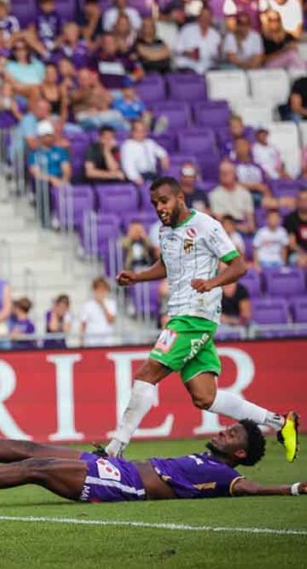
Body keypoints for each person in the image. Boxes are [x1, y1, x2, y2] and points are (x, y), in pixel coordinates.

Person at [110, 177, 298, 461]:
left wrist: (212, 283)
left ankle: (115, 448)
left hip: (195, 316)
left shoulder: (207, 226)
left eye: (164, 201)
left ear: (180, 198)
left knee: (147, 374)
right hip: (182, 314)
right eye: (154, 204)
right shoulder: (166, 231)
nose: (159, 208)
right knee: (204, 397)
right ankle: (282, 423)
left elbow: (238, 266)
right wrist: (138, 277)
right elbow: (167, 265)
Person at [0, 394, 304, 504]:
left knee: (38, 466)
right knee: (29, 446)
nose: (223, 432)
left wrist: (290, 489)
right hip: (120, 468)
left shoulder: (225, 474)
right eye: (229, 428)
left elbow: (249, 488)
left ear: (238, 454)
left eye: (232, 436)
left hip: (124, 486)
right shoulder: (210, 459)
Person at [174, 4, 221, 74]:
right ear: (198, 17)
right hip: (187, 65)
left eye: (208, 16)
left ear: (211, 18)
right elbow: (177, 50)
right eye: (203, 16)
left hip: (207, 68)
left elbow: (217, 56)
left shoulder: (215, 34)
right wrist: (189, 54)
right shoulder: (187, 30)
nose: (205, 18)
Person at [209, 160, 255, 227]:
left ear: (234, 174)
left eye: (227, 173)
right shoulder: (214, 195)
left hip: (242, 228)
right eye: (222, 173)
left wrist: (248, 226)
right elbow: (219, 219)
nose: (224, 176)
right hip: (224, 228)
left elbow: (250, 221)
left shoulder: (245, 193)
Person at [121, 121, 169, 185]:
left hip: (153, 174)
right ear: (132, 132)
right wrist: (135, 177)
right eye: (138, 131)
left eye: (143, 131)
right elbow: (127, 164)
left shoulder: (149, 142)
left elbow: (160, 151)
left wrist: (164, 157)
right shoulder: (127, 145)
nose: (140, 133)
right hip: (140, 176)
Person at [79, 276, 117, 347]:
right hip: (91, 341)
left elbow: (111, 320)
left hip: (107, 340)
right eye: (98, 290)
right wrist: (81, 341)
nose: (101, 293)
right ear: (94, 291)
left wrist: (103, 305)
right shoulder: (87, 305)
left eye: (103, 290)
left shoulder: (111, 303)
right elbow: (83, 324)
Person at [283, 189, 307, 267]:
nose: (304, 202)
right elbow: (292, 244)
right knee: (302, 262)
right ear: (297, 201)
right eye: (301, 199)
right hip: (297, 254)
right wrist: (304, 254)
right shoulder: (291, 219)